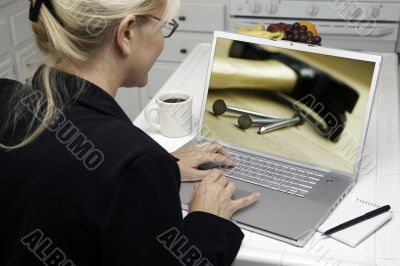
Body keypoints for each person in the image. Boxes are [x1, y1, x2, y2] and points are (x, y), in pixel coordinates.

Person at [0, 0, 260, 265]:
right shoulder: (136, 163)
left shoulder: (5, 96)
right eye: (163, 28)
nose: (162, 41)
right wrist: (208, 221)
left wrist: (151, 171)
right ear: (126, 33)